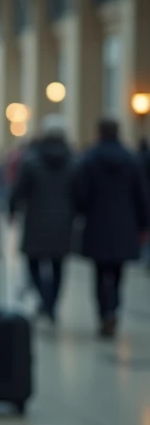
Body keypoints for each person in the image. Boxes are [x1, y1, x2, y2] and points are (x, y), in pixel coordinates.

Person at [72, 118, 150, 338]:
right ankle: (113, 308)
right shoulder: (131, 160)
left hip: (97, 222)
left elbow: (81, 194)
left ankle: (103, 312)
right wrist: (144, 223)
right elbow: (141, 195)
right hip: (125, 224)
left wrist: (81, 212)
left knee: (99, 272)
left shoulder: (89, 159)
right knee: (117, 272)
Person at [9, 115, 75, 323]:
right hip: (63, 220)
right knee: (58, 265)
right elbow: (80, 193)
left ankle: (45, 300)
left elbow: (19, 190)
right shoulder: (73, 162)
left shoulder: (31, 161)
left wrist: (12, 209)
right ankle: (51, 302)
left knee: (33, 263)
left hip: (35, 218)